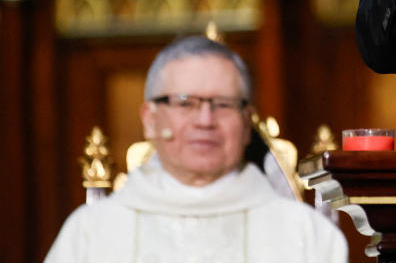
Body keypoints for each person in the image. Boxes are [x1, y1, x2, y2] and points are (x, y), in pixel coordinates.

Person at [45, 35, 348, 263]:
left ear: (246, 122)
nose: (205, 120)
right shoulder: (91, 233)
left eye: (223, 104)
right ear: (150, 120)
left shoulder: (305, 235)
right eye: (185, 103)